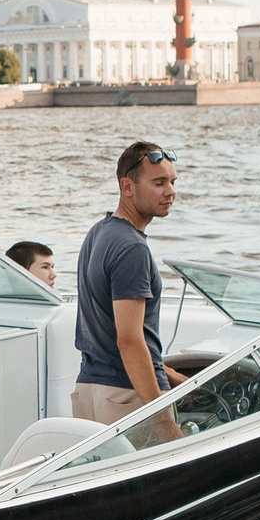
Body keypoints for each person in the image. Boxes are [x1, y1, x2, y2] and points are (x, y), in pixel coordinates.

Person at [72, 141, 185, 424]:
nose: (170, 191)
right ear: (128, 187)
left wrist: (172, 375)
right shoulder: (132, 248)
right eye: (159, 183)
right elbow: (130, 340)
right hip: (128, 398)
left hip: (90, 390)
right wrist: (162, 420)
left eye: (172, 181)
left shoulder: (99, 232)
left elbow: (108, 330)